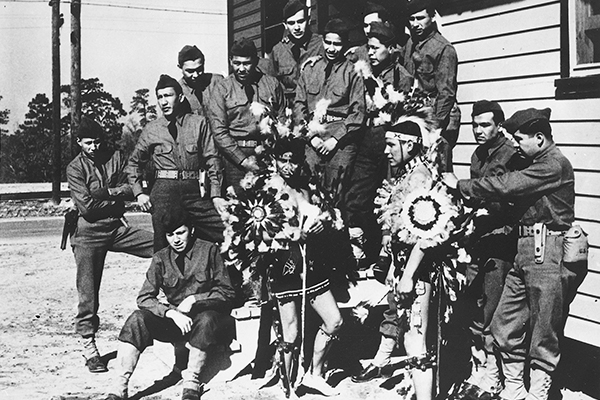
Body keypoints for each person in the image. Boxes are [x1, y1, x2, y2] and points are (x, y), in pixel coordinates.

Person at [443, 108, 587, 400]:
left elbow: (509, 185)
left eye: (520, 139)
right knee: (503, 323)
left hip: (547, 251)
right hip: (525, 251)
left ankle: (537, 394)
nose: (516, 145)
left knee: (544, 330)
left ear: (540, 137)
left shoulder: (553, 164)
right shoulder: (533, 161)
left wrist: (461, 186)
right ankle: (513, 389)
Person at [103, 210, 236, 400]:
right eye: (170, 235)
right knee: (137, 319)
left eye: (180, 233)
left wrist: (195, 300)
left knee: (207, 319)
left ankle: (192, 381)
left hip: (207, 322)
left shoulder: (209, 251)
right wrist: (171, 313)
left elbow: (227, 292)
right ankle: (119, 387)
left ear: (191, 230)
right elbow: (144, 298)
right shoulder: (161, 258)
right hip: (177, 321)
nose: (176, 240)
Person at [352, 117, 435, 400]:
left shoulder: (420, 177)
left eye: (391, 145)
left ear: (409, 144)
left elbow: (427, 235)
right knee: (411, 339)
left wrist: (409, 276)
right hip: (404, 268)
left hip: (419, 272)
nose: (386, 151)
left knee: (415, 342)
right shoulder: (405, 175)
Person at [66, 117, 154, 373]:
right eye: (88, 143)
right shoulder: (75, 168)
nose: (93, 147)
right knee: (88, 292)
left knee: (160, 245)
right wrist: (115, 199)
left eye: (97, 142)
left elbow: (132, 186)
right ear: (79, 142)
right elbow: (88, 208)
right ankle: (89, 346)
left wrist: (110, 194)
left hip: (116, 228)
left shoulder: (115, 156)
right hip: (87, 234)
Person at [451, 101, 525, 400]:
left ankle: (493, 375)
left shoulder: (512, 155)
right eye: (475, 124)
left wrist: (485, 208)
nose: (479, 130)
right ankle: (479, 366)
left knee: (494, 307)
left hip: (501, 240)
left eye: (485, 125)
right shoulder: (477, 154)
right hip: (477, 238)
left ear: (499, 125)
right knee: (475, 301)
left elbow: (515, 199)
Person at [261, 137, 344, 397]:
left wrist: (322, 223)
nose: (287, 166)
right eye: (282, 160)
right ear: (275, 161)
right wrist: (292, 233)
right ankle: (286, 388)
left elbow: (324, 215)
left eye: (292, 160)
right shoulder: (267, 190)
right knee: (292, 332)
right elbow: (262, 234)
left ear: (300, 162)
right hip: (284, 266)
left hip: (312, 264)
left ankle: (314, 375)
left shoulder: (308, 188)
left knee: (335, 321)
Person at [126, 74, 226, 253]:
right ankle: (161, 280)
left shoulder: (198, 124)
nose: (163, 102)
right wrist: (139, 193)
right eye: (160, 97)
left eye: (168, 96)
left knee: (224, 230)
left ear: (180, 97)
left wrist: (216, 194)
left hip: (193, 191)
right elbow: (133, 163)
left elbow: (212, 158)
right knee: (163, 248)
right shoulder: (152, 129)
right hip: (164, 192)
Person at [345, 21, 413, 266]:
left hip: (389, 138)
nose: (371, 53)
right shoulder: (361, 71)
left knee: (389, 194)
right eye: (369, 48)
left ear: (392, 48)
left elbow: (402, 114)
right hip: (365, 137)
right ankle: (361, 251)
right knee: (357, 195)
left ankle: (387, 255)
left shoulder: (402, 76)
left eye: (376, 48)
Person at [294, 18, 365, 217]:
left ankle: (336, 244)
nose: (332, 48)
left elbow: (358, 111)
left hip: (340, 142)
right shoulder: (309, 69)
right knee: (310, 193)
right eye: (328, 42)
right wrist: (312, 138)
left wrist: (335, 140)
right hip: (313, 138)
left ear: (345, 44)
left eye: (337, 43)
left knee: (336, 197)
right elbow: (299, 106)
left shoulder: (353, 71)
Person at [208, 38, 285, 190]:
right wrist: (243, 160)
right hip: (235, 159)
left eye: (246, 63)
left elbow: (282, 120)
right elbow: (219, 132)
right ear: (230, 61)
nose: (241, 69)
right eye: (237, 63)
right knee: (238, 207)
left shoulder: (272, 84)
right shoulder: (222, 89)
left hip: (267, 156)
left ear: (256, 61)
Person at [403, 0, 460, 172]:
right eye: (411, 19)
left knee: (438, 170)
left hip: (439, 118)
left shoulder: (444, 48)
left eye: (420, 18)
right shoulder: (411, 44)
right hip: (417, 115)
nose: (415, 24)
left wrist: (435, 128)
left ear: (433, 17)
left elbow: (447, 93)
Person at [268, 0, 324, 101]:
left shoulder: (321, 44)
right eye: (291, 23)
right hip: (289, 108)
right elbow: (271, 86)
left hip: (315, 105)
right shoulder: (278, 50)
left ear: (309, 20)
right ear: (285, 25)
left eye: (301, 21)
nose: (297, 27)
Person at [177, 45, 224, 116]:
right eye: (190, 71)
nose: (196, 75)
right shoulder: (177, 90)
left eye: (199, 69)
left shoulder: (218, 81)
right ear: (180, 67)